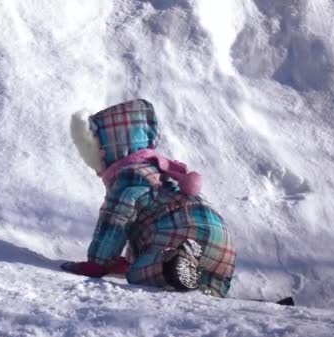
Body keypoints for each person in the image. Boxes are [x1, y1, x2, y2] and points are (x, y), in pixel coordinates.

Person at [61, 99, 236, 298]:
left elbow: (117, 219)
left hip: (182, 234)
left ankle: (175, 260)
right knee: (204, 285)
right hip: (223, 241)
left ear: (106, 150)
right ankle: (203, 287)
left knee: (137, 271)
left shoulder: (129, 175)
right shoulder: (163, 170)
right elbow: (145, 225)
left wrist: (98, 263)